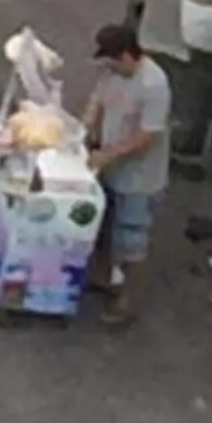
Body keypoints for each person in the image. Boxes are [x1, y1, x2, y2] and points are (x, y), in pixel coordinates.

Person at [82, 21, 171, 324]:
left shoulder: (154, 85)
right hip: (110, 168)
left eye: (110, 60)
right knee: (104, 226)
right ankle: (102, 277)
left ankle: (126, 302)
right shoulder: (111, 73)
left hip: (139, 179)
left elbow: (147, 137)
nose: (106, 66)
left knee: (131, 239)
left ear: (126, 56)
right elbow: (98, 101)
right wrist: (86, 131)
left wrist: (107, 155)